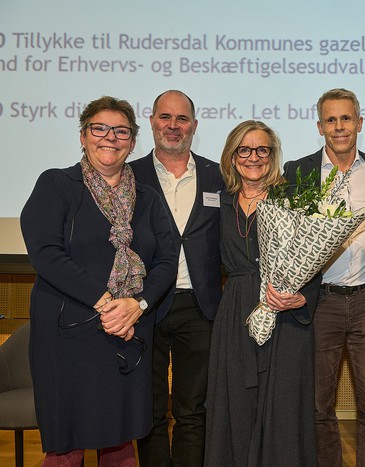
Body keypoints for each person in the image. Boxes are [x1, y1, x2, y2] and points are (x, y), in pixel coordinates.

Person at [20, 96, 179, 466]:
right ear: (83, 136)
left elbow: (167, 260)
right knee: (66, 447)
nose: (110, 137)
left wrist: (137, 305)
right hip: (68, 336)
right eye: (99, 128)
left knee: (120, 444)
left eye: (121, 131)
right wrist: (108, 304)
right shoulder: (57, 184)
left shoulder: (149, 198)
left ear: (132, 142)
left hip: (128, 333)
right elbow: (45, 253)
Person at [284, 88, 365, 467]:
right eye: (330, 120)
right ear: (320, 127)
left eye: (346, 118)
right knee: (318, 407)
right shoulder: (297, 172)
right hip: (320, 304)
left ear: (359, 123)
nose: (339, 127)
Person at [204, 120, 320, 466]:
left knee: (284, 409)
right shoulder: (218, 202)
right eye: (244, 149)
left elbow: (316, 261)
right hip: (236, 312)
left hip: (285, 313)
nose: (253, 157)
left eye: (262, 150)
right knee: (235, 405)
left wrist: (303, 298)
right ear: (232, 156)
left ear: (272, 155)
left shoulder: (294, 199)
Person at [131, 90, 224, 467]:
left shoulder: (218, 174)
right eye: (166, 117)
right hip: (145, 306)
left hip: (201, 306)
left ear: (194, 126)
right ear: (152, 121)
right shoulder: (129, 174)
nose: (174, 125)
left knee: (193, 410)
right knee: (149, 409)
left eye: (182, 118)